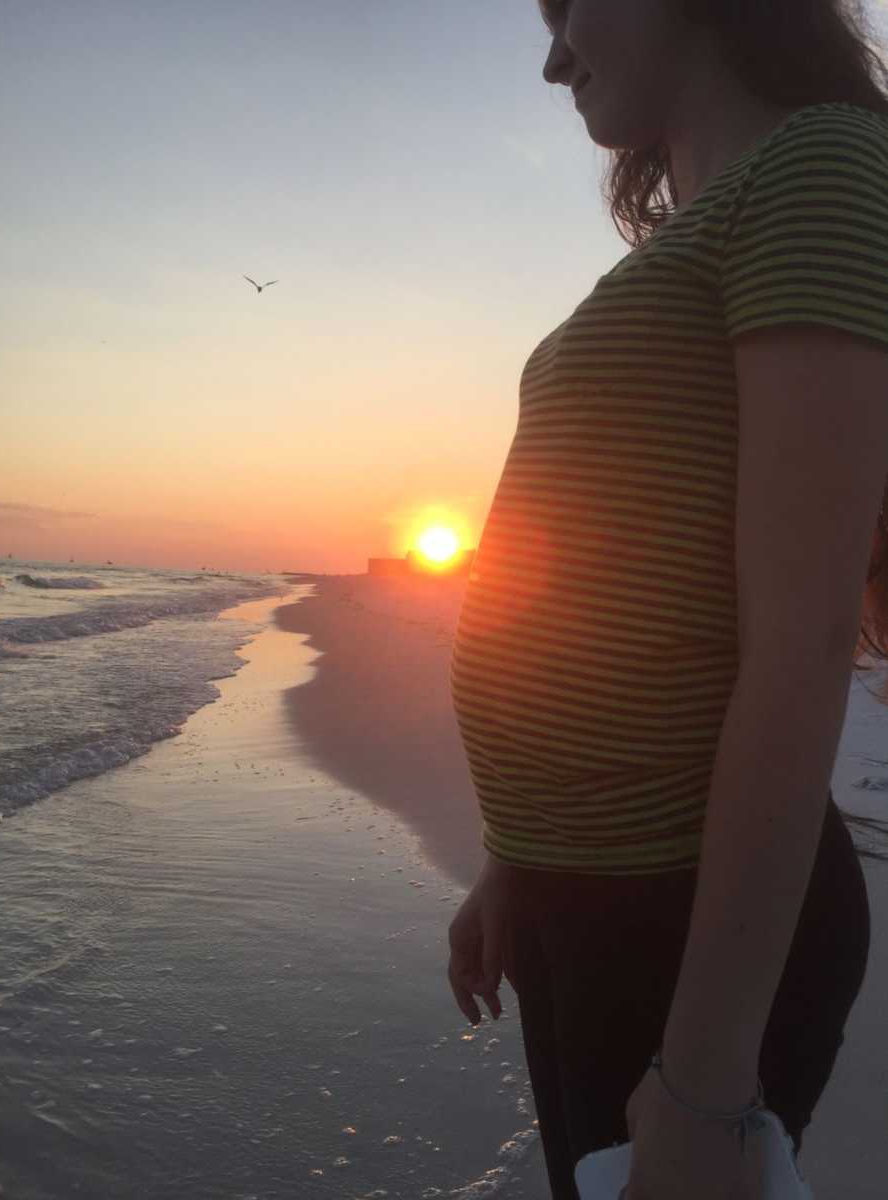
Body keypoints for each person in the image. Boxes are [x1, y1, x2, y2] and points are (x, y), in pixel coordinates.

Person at [446, 2, 888, 1197]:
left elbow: (797, 651)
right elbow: (593, 575)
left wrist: (704, 1078)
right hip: (583, 898)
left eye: (566, 6)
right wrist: (511, 860)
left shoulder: (824, 163)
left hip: (690, 918)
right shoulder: (702, 236)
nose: (550, 57)